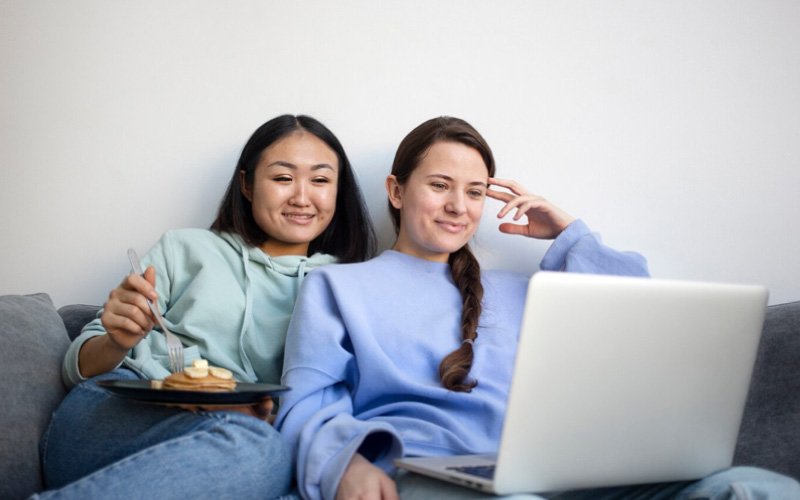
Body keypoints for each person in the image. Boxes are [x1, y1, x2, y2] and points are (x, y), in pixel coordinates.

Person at [275, 116, 800, 500]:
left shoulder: (528, 290)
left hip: (564, 475)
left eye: (475, 192)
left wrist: (569, 234)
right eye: (440, 186)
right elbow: (306, 406)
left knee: (753, 488)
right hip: (433, 476)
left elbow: (640, 307)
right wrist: (347, 465)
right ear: (396, 190)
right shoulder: (337, 288)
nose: (459, 207)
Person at [35, 114, 377, 500]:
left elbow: (333, 399)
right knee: (263, 453)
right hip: (115, 410)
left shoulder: (343, 285)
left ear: (338, 190)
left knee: (263, 451)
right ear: (247, 185)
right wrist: (116, 342)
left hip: (223, 442)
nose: (301, 197)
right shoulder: (184, 249)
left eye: (320, 180)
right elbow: (73, 369)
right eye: (283, 178)